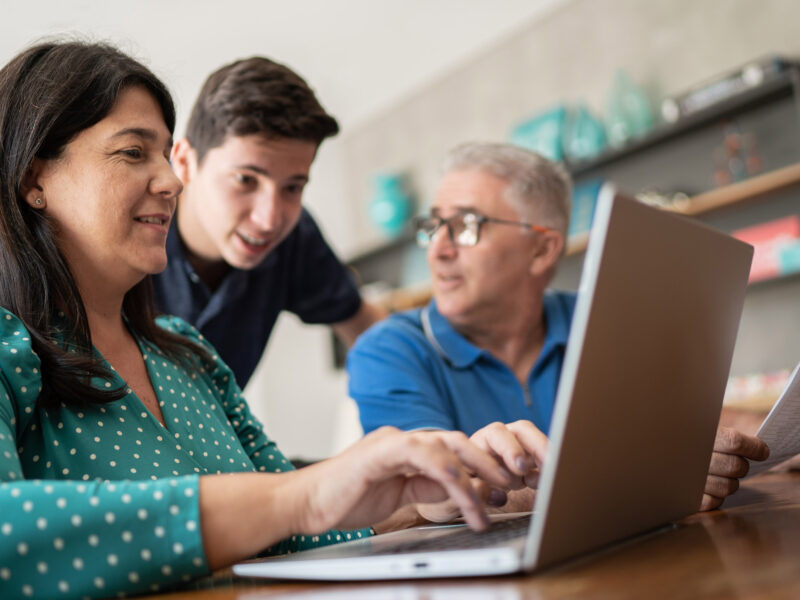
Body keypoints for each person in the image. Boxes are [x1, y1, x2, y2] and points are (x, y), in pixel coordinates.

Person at [0, 42, 545, 599]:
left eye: (163, 154)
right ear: (32, 179)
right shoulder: (7, 344)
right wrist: (302, 497)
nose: (169, 180)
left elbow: (292, 531)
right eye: (133, 152)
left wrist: (422, 494)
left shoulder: (189, 354)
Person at [347, 142, 769, 511]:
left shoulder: (603, 319)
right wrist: (639, 474)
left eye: (465, 226)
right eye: (433, 226)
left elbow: (690, 421)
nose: (438, 249)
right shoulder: (386, 349)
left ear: (542, 249)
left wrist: (775, 438)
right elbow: (431, 492)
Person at [153, 56, 384, 389]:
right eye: (245, 180)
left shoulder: (296, 237)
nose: (269, 220)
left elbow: (366, 328)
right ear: (185, 163)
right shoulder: (126, 234)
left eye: (292, 187)